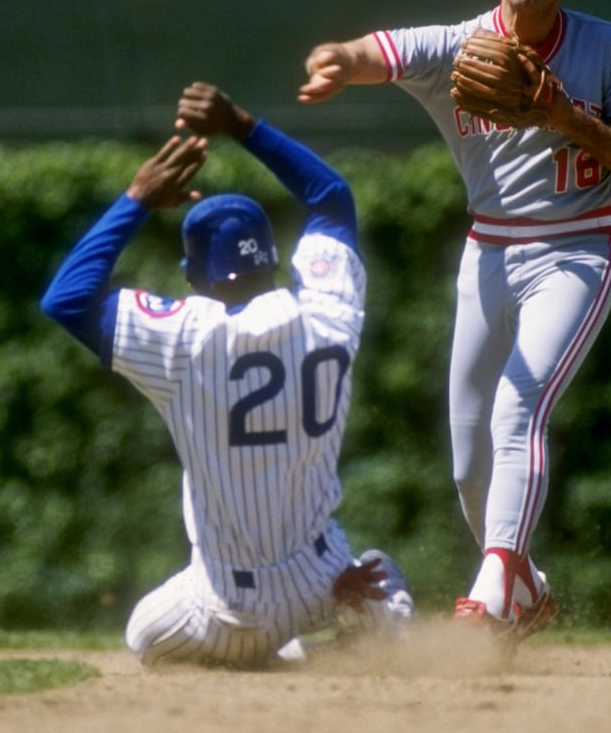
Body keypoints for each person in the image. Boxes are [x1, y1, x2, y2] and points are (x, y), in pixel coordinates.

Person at [296, 0, 611, 651]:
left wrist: (569, 117)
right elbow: (382, 53)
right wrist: (339, 60)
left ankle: (492, 587)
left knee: (516, 410)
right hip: (488, 252)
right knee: (468, 459)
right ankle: (528, 588)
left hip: (577, 247)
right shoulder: (461, 45)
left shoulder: (605, 48)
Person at [40, 82, 415, 669]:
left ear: (195, 275)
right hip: (326, 581)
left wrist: (136, 199)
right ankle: (373, 623)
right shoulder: (329, 310)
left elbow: (66, 300)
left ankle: (273, 657)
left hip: (227, 608)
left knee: (144, 634)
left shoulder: (185, 337)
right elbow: (331, 196)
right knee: (377, 567)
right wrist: (240, 124)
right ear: (269, 255)